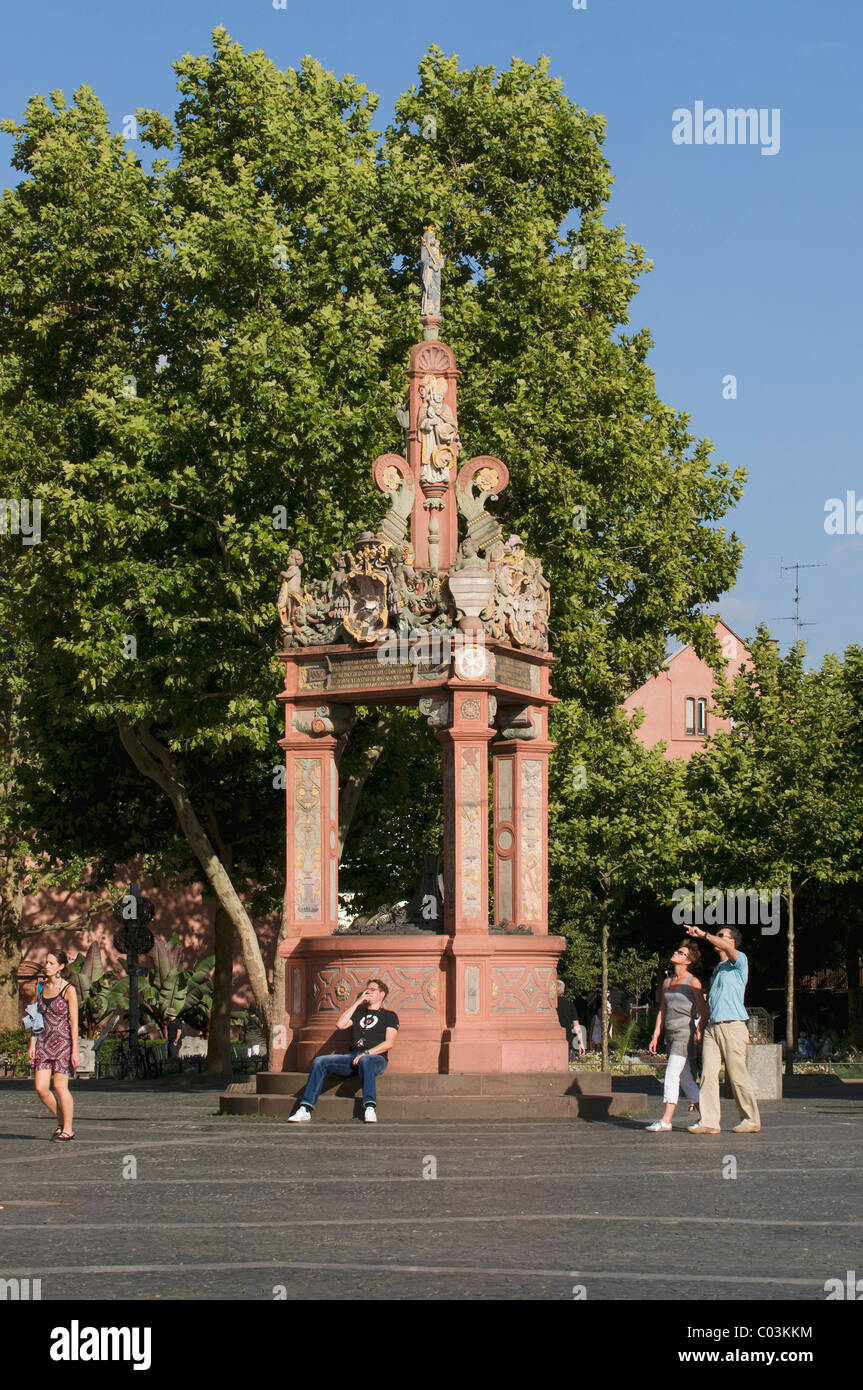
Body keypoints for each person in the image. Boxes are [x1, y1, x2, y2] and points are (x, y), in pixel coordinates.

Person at [684, 924, 761, 1134]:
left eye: (721, 936)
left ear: (731, 942)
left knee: (737, 1075)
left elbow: (726, 949)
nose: (717, 938)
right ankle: (709, 1121)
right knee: (708, 1074)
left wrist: (705, 935)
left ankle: (750, 1119)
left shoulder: (740, 961)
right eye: (717, 935)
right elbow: (713, 1000)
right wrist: (701, 1024)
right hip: (713, 1026)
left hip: (732, 1025)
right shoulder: (718, 969)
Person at [288, 980, 399, 1124]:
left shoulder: (389, 1015)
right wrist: (357, 1002)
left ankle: (370, 1107)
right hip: (352, 1057)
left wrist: (367, 1053)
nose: (368, 992)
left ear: (382, 994)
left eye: (372, 989)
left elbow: (389, 1043)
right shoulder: (358, 1014)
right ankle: (305, 1108)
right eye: (367, 989)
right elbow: (340, 1025)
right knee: (320, 1061)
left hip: (376, 1058)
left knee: (365, 1060)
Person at [646, 942, 708, 1131]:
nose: (675, 953)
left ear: (688, 961)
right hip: (670, 1034)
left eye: (680, 953)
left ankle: (666, 1120)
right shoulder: (667, 982)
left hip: (684, 1033)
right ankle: (706, 1115)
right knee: (686, 1078)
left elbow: (703, 1009)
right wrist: (656, 1035)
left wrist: (699, 1029)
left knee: (671, 1074)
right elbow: (662, 1010)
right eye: (677, 950)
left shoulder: (693, 982)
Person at [28, 949, 80, 1141]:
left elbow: (74, 1022)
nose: (47, 966)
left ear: (61, 967)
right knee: (41, 1088)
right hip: (43, 1042)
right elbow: (35, 1017)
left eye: (51, 963)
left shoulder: (69, 990)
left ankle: (67, 1128)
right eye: (46, 962)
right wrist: (32, 1043)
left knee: (59, 1086)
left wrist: (75, 1050)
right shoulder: (40, 987)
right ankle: (61, 1118)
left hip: (63, 1043)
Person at [556, 980, 585, 1058]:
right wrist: (581, 1043)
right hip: (568, 1040)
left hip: (553, 1039)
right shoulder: (570, 1005)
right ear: (563, 990)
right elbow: (576, 1026)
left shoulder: (550, 1005)